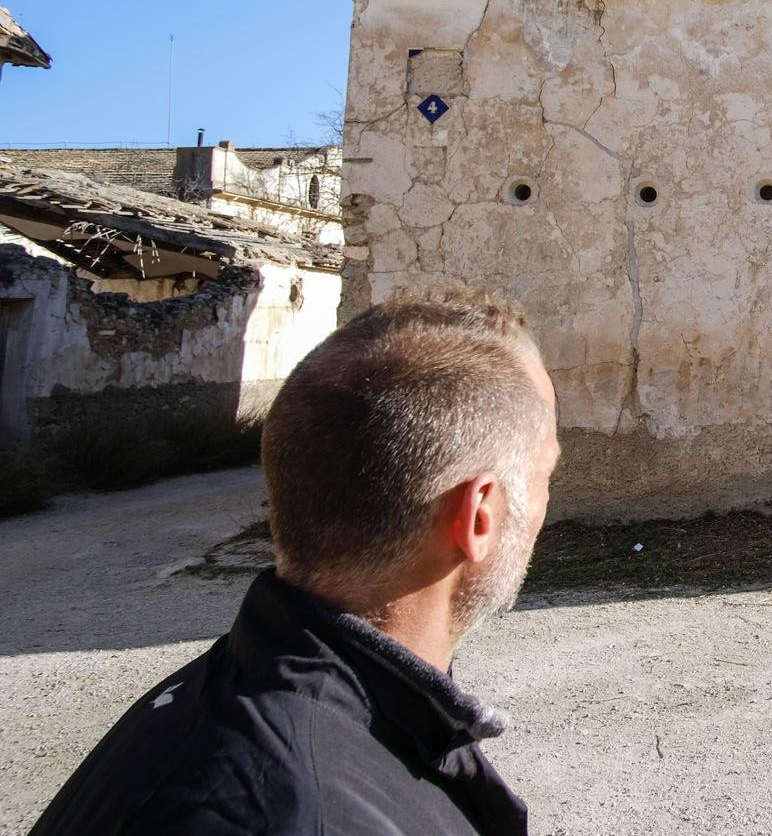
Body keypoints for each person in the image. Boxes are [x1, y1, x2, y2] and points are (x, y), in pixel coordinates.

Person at [31, 289, 561, 836]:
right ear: (479, 517)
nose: (547, 498)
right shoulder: (316, 813)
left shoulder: (226, 693)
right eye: (545, 473)